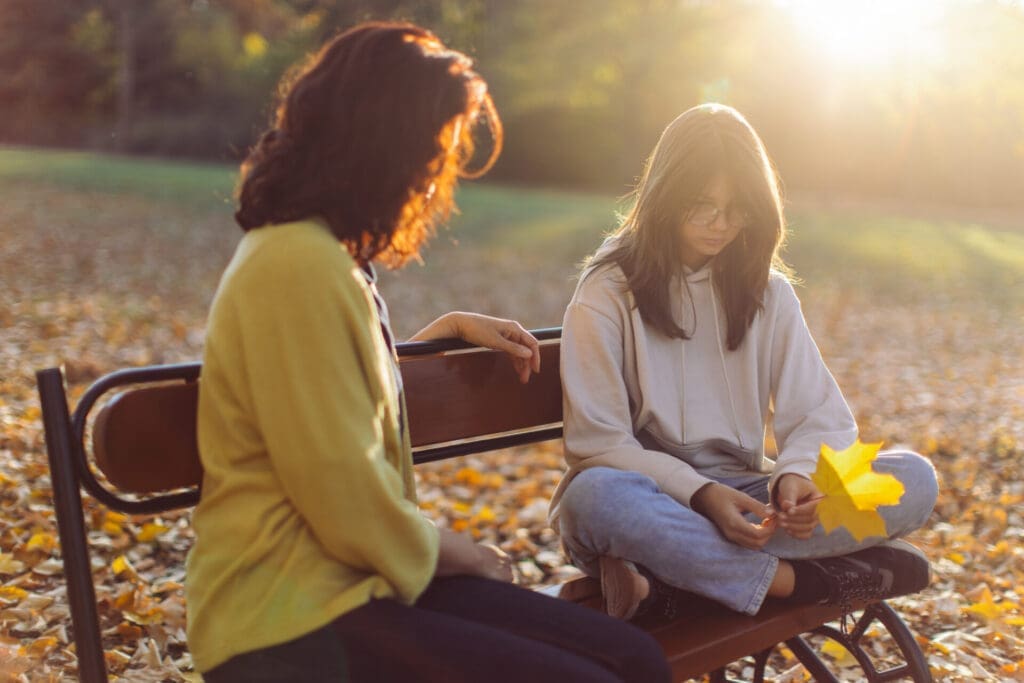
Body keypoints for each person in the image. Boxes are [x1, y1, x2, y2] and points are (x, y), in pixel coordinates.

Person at [186, 21, 670, 683]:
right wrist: (462, 553)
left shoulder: (331, 261)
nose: (434, 179)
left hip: (357, 586)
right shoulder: (293, 264)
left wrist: (436, 337)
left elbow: (334, 412)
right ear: (378, 146)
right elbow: (343, 495)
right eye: (430, 151)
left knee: (635, 658)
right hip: (284, 618)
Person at [552, 103, 938, 621]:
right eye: (702, 204)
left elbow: (819, 413)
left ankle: (678, 580)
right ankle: (797, 583)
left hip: (754, 501)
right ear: (665, 195)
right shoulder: (606, 289)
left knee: (913, 479)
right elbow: (599, 444)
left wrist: (796, 478)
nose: (721, 223)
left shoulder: (767, 291)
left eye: (738, 208)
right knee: (595, 498)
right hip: (655, 501)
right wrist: (702, 494)